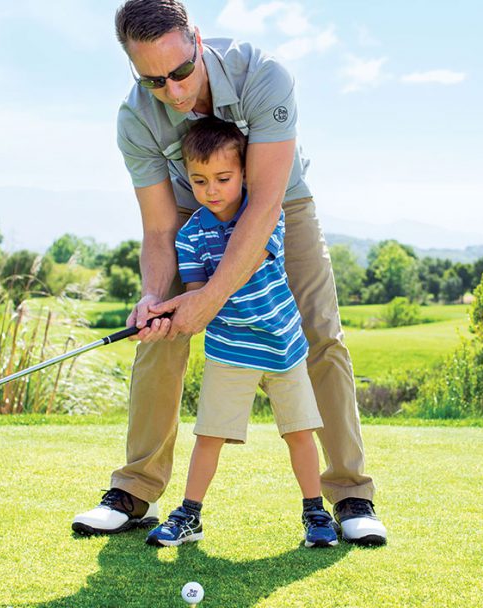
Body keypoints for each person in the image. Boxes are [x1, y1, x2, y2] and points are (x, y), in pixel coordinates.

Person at [71, 0, 386, 546]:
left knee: (320, 335)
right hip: (193, 216)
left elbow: (262, 208)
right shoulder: (135, 120)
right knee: (158, 333)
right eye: (152, 80)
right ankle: (135, 490)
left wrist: (211, 299)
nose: (172, 91)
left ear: (196, 38)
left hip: (279, 205)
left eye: (180, 72)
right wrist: (154, 295)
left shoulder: (263, 75)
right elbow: (157, 230)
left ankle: (351, 494)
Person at [145, 117, 337, 548]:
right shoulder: (191, 235)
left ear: (244, 174)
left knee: (300, 432)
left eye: (223, 178)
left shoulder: (265, 213)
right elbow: (199, 299)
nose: (211, 190)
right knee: (209, 435)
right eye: (198, 180)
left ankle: (315, 512)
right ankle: (189, 515)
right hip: (230, 349)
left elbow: (247, 261)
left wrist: (204, 299)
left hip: (283, 344)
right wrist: (169, 315)